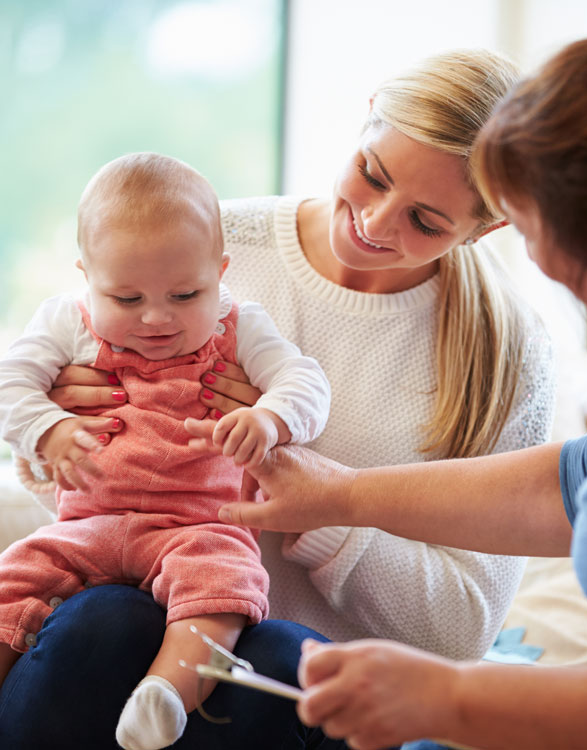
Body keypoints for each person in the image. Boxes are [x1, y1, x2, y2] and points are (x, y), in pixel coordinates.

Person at [197, 6, 587, 749]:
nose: (537, 265)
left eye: (526, 228)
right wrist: (340, 496)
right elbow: (585, 479)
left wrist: (452, 699)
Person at [0, 50, 555, 749]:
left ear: (487, 228)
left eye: (426, 220)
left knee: (294, 663)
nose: (377, 225)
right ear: (369, 111)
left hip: (298, 686)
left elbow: (464, 630)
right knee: (99, 622)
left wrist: (324, 505)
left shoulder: (507, 354)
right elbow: (73, 469)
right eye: (372, 174)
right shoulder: (196, 240)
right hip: (123, 632)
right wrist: (57, 428)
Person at [0, 152, 331, 750]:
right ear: (86, 276)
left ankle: (166, 696)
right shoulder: (66, 322)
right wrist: (45, 428)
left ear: (221, 273)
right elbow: (8, 383)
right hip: (87, 525)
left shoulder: (241, 327)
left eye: (185, 294)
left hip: (195, 524)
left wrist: (272, 416)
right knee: (15, 578)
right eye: (126, 300)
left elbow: (306, 383)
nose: (156, 318)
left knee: (224, 583)